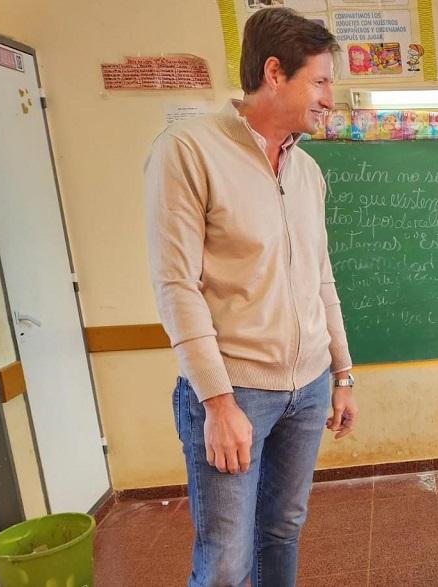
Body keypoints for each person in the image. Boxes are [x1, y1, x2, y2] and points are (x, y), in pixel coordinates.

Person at [144, 8, 357, 586]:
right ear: (273, 73)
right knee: (227, 557)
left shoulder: (308, 171)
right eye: (320, 81)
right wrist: (216, 403)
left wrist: (341, 374)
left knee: (283, 530)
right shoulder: (188, 151)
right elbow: (176, 286)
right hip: (234, 392)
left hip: (308, 388)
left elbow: (321, 278)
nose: (329, 98)